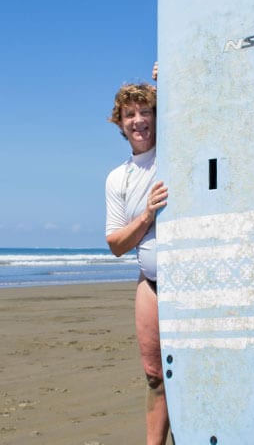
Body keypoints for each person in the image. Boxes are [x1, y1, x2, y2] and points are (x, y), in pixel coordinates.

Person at [104, 79, 169, 445]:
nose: (138, 120)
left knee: (191, 372)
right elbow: (115, 243)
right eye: (130, 114)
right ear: (120, 123)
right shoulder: (118, 178)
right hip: (150, 284)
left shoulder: (173, 155)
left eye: (146, 112)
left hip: (191, 286)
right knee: (154, 376)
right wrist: (146, 216)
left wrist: (167, 74)